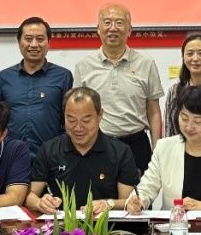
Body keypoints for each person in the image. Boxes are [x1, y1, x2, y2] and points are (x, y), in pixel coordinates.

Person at [73, 3, 163, 173]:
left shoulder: (146, 63)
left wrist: (158, 150)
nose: (113, 28)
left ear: (129, 30)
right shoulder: (84, 65)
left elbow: (154, 111)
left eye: (119, 23)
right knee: (98, 191)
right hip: (97, 143)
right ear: (98, 29)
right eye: (107, 22)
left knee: (139, 190)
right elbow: (77, 111)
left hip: (137, 144)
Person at [126, 85, 201, 213]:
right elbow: (146, 187)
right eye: (184, 118)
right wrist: (138, 201)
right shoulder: (164, 148)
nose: (189, 127)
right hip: (173, 223)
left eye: (197, 121)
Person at [25, 87, 138, 217]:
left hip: (104, 225)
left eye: (86, 120)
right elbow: (29, 196)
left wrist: (109, 203)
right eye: (71, 120)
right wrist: (40, 203)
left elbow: (128, 202)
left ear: (100, 115)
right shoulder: (49, 150)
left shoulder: (120, 152)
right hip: (60, 226)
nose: (78, 127)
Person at [0, 17, 73, 159]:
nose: (34, 44)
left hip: (51, 156)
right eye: (28, 39)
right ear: (19, 42)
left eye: (40, 39)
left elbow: (67, 119)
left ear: (49, 43)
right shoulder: (4, 77)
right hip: (11, 156)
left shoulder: (63, 76)